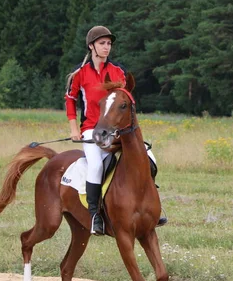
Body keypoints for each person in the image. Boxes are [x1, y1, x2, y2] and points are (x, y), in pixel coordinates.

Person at [65, 25, 166, 235]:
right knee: (95, 166)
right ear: (91, 46)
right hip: (92, 130)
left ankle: (152, 207)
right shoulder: (80, 74)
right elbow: (71, 99)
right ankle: (95, 216)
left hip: (116, 130)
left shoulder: (117, 71)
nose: (106, 47)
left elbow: (124, 99)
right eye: (102, 43)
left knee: (150, 160)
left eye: (109, 43)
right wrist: (74, 128)